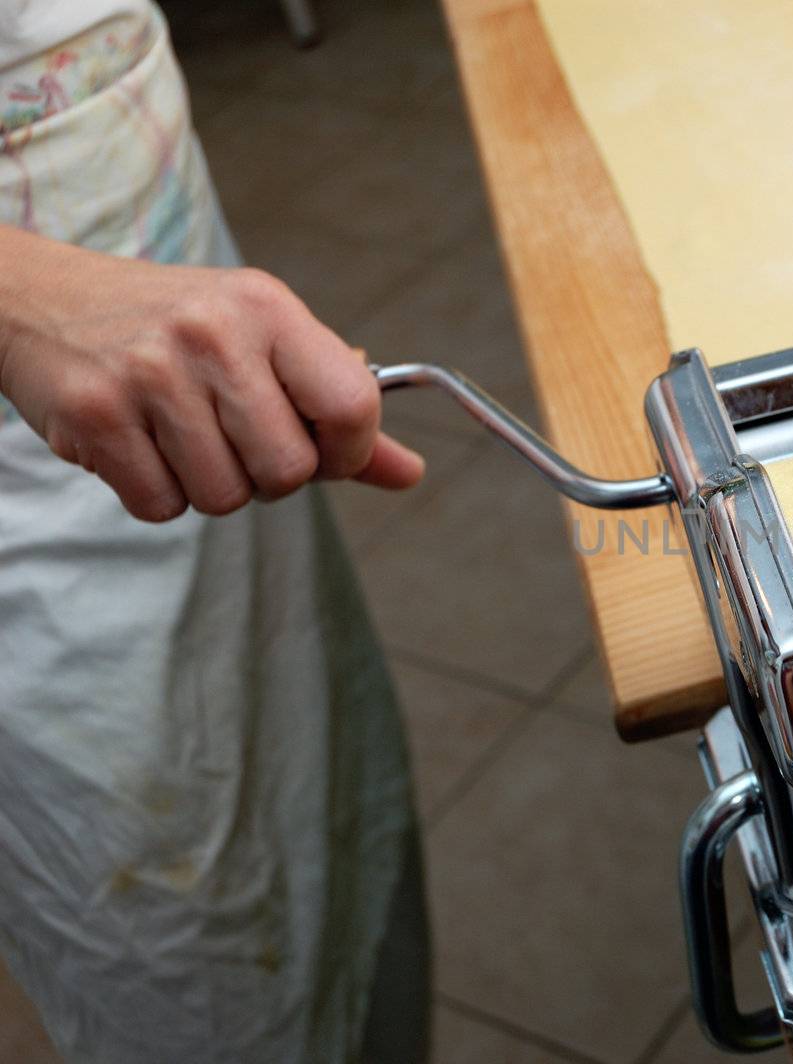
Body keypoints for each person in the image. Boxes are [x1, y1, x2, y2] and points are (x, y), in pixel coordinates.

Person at [0, 2, 430, 1061]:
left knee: (320, 817)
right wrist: (26, 301)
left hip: (160, 257)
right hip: (36, 425)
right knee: (191, 952)